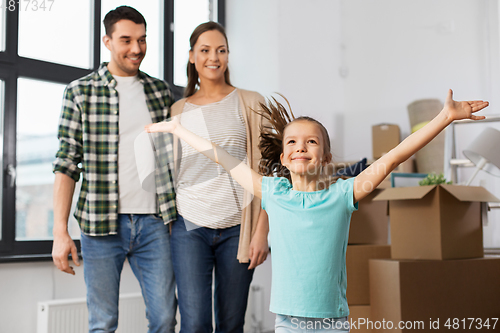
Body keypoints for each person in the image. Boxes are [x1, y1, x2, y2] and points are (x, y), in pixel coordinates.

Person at [146, 89, 488, 332]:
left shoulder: (343, 194)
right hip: (288, 322)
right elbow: (222, 157)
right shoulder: (273, 193)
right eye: (292, 141)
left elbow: (393, 157)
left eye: (311, 141)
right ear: (283, 158)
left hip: (332, 322)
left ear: (325, 157)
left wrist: (444, 118)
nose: (300, 147)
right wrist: (179, 129)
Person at [52, 6, 176, 333]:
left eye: (142, 40)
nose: (136, 49)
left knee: (164, 319)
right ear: (107, 41)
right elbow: (66, 162)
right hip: (100, 225)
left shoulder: (159, 92)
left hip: (154, 223)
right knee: (103, 322)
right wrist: (60, 231)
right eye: (126, 40)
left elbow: (172, 159)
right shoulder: (80, 92)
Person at [167, 21, 269, 332]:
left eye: (221, 50)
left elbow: (269, 172)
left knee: (231, 324)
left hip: (238, 229)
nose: (214, 57)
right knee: (194, 324)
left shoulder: (250, 102)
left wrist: (262, 230)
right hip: (189, 229)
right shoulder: (177, 110)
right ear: (191, 56)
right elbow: (173, 173)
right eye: (205, 50)